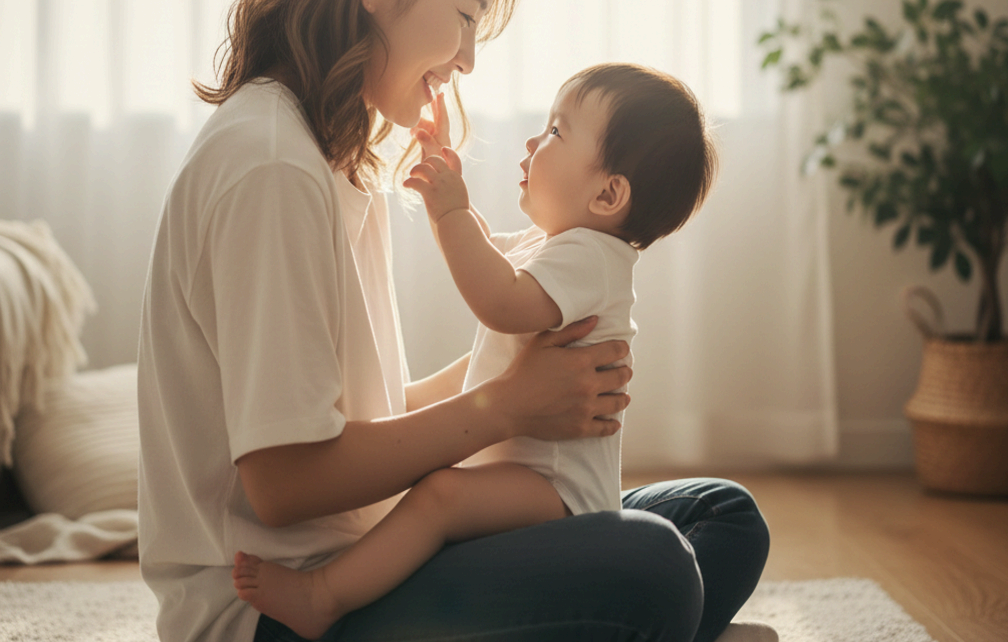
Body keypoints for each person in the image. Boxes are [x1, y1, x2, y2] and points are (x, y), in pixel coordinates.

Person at [137, 0, 771, 642]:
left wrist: (525, 373)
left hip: (370, 548)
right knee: (655, 568)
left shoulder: (326, 153)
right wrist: (505, 406)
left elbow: (354, 416)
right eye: (466, 14)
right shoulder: (273, 169)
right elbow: (284, 481)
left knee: (718, 519)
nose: (469, 58)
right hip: (277, 608)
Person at [232, 60, 728, 639]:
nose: (533, 140)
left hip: (558, 496)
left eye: (556, 132)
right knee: (678, 551)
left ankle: (324, 596)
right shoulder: (555, 246)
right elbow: (489, 254)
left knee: (441, 494)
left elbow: (501, 300)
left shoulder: (593, 257)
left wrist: (450, 213)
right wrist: (444, 169)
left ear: (608, 193)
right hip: (542, 490)